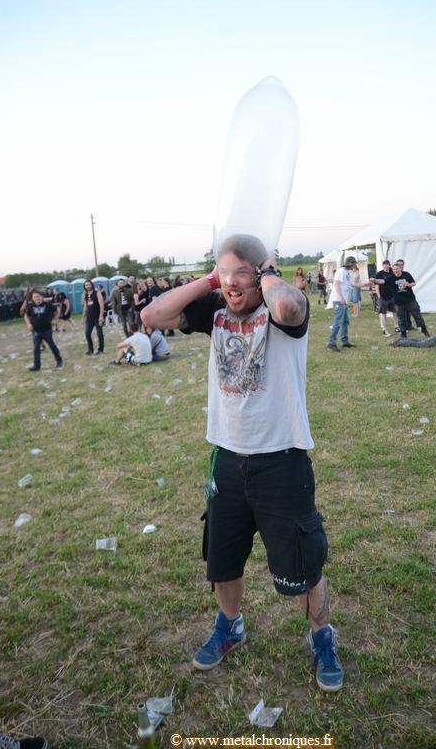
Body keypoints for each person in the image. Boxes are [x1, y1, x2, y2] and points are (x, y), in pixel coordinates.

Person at [141, 234, 343, 693]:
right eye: (224, 274)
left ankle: (322, 637)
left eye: (242, 274)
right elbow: (152, 316)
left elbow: (287, 307)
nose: (232, 284)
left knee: (301, 565)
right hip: (227, 459)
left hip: (282, 460)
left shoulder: (282, 309)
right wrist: (213, 280)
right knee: (223, 559)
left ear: (263, 272)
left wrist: (266, 273)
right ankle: (230, 624)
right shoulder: (214, 310)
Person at [377, 263, 429, 338]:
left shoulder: (406, 274)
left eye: (397, 269)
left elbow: (413, 283)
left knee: (417, 316)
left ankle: (424, 330)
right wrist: (375, 280)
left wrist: (409, 285)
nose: (395, 270)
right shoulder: (391, 278)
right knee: (401, 319)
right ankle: (403, 335)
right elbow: (382, 281)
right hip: (399, 303)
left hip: (410, 300)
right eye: (394, 269)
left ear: (400, 269)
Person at [327, 256, 368, 351]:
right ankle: (331, 343)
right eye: (354, 264)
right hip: (339, 300)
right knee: (338, 322)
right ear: (350, 264)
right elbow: (336, 284)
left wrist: (366, 284)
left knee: (345, 321)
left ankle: (345, 341)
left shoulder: (346, 272)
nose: (355, 266)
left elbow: (353, 284)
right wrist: (341, 298)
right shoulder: (340, 272)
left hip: (344, 301)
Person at [25, 290, 63, 371]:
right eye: (35, 297)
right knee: (36, 349)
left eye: (38, 296)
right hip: (36, 331)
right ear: (32, 298)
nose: (37, 298)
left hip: (47, 330)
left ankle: (59, 361)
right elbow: (26, 315)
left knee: (52, 346)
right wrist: (28, 324)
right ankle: (36, 366)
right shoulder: (30, 306)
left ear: (41, 297)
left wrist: (55, 320)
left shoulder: (47, 305)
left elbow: (57, 310)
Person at [373, 260, 399, 336]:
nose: (386, 266)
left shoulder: (392, 272)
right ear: (383, 265)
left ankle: (397, 327)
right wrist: (379, 296)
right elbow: (377, 286)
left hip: (392, 297)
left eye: (387, 264)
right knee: (383, 313)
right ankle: (384, 330)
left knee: (395, 312)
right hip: (383, 297)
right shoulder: (379, 274)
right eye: (384, 264)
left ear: (389, 265)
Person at [83, 280, 105, 355]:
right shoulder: (86, 295)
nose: (88, 286)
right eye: (86, 285)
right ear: (84, 286)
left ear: (91, 285)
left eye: (89, 284)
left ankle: (100, 349)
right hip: (89, 317)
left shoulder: (97, 293)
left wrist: (101, 315)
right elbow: (85, 308)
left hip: (97, 316)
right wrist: (83, 318)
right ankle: (90, 349)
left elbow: (101, 304)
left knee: (99, 333)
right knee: (87, 333)